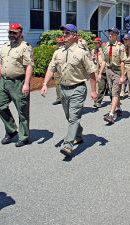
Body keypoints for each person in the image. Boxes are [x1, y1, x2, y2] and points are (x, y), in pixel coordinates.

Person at [41, 24, 97, 157]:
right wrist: (44, 84)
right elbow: (51, 68)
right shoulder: (58, 52)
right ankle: (78, 134)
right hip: (63, 89)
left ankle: (68, 145)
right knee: (70, 117)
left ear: (74, 35)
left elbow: (92, 73)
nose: (63, 35)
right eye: (63, 33)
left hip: (78, 88)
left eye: (67, 33)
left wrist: (94, 91)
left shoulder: (82, 52)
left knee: (73, 117)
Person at [0, 23, 33, 147]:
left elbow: (29, 66)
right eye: (10, 32)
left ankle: (24, 136)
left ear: (20, 33)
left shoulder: (25, 47)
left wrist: (26, 84)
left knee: (22, 111)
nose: (11, 35)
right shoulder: (5, 46)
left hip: (18, 82)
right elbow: (1, 63)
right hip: (4, 82)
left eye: (14, 33)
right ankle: (11, 130)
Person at [98, 28, 126, 125]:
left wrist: (122, 76)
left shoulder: (120, 47)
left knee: (115, 92)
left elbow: (123, 62)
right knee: (113, 92)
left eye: (112, 34)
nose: (109, 35)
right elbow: (104, 61)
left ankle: (111, 115)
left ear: (116, 35)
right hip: (109, 71)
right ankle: (118, 108)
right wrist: (100, 73)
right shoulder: (105, 46)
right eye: (109, 34)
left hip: (117, 72)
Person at [91, 37, 107, 108]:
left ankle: (115, 101)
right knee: (99, 86)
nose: (95, 44)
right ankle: (98, 101)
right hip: (96, 70)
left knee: (107, 86)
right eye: (94, 43)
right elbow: (91, 60)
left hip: (105, 70)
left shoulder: (103, 50)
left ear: (100, 43)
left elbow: (105, 61)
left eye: (96, 43)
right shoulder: (93, 50)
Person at [52, 37, 64, 105]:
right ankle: (59, 98)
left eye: (60, 43)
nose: (59, 44)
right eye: (58, 43)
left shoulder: (65, 50)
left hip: (63, 69)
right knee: (57, 84)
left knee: (64, 84)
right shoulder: (56, 51)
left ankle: (64, 98)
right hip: (56, 69)